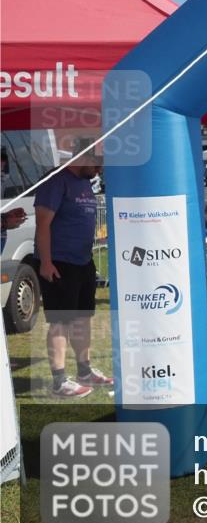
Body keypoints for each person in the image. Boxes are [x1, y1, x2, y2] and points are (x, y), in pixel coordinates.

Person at [34, 142, 113, 398]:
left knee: (82, 319)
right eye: (97, 164)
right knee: (60, 321)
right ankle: (59, 381)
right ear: (83, 156)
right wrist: (46, 262)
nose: (100, 170)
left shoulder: (84, 183)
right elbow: (42, 224)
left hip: (83, 262)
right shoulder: (56, 181)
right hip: (59, 263)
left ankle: (84, 371)